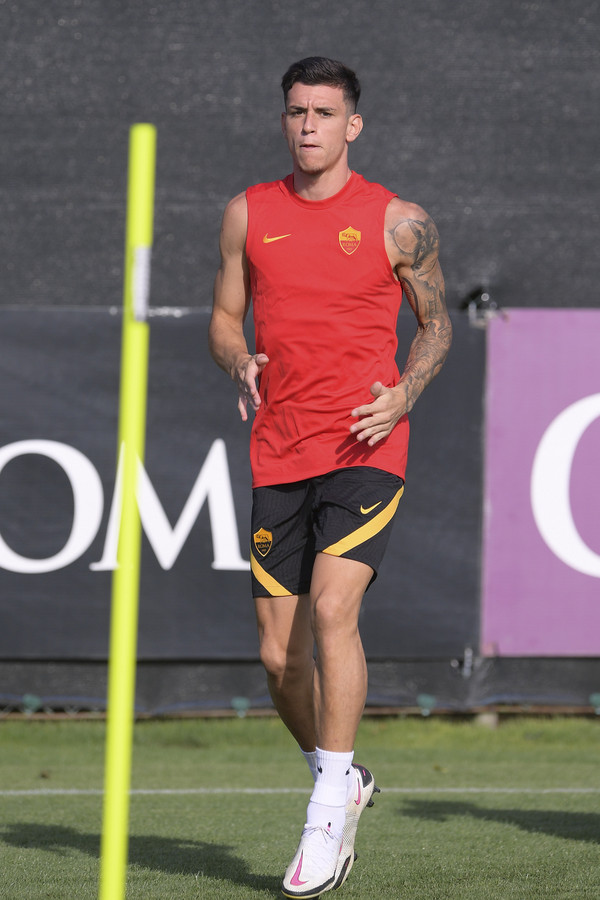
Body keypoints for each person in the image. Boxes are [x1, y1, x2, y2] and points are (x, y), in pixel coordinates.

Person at [208, 56, 452, 898]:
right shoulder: (248, 212)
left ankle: (323, 820)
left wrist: (404, 394)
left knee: (333, 609)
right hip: (279, 449)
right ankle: (340, 773)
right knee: (280, 658)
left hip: (365, 446)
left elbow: (436, 326)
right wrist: (238, 359)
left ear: (353, 125)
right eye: (296, 111)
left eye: (323, 112)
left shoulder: (398, 221)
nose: (307, 124)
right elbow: (225, 318)